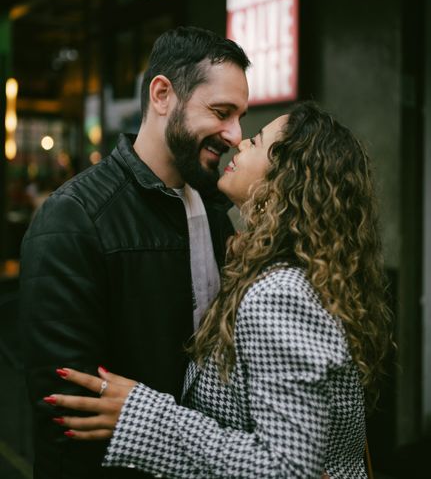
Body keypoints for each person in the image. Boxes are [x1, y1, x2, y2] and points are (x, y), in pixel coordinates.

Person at [46, 102, 393, 478]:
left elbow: (288, 468)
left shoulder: (280, 294)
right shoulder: (281, 269)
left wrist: (143, 417)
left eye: (256, 142)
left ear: (286, 178)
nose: (239, 142)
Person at [19, 26, 250, 479]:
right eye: (222, 112)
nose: (236, 134)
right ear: (162, 95)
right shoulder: (75, 218)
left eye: (240, 116)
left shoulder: (212, 209)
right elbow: (70, 417)